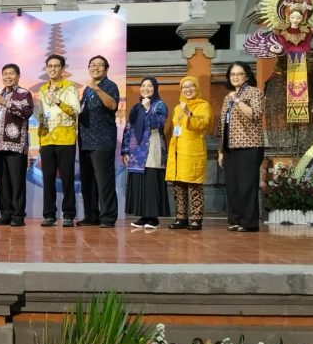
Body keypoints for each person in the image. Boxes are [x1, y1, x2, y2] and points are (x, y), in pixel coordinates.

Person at [217, 62, 265, 232]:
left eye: (239, 74)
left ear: (247, 75)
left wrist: (237, 100)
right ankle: (236, 220)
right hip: (230, 146)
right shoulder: (227, 97)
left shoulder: (254, 92)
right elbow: (223, 125)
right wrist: (220, 151)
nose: (235, 77)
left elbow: (256, 115)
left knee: (247, 185)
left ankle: (249, 223)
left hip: (249, 145)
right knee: (233, 186)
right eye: (232, 74)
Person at [36, 54, 80, 227]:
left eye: (56, 66)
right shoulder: (42, 89)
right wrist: (40, 136)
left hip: (65, 139)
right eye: (50, 66)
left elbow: (76, 111)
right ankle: (49, 215)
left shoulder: (70, 87)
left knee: (67, 178)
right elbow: (41, 114)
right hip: (46, 139)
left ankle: (68, 214)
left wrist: (58, 101)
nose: (52, 69)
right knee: (48, 179)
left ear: (62, 69)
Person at [121, 77, 170, 229]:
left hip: (152, 147)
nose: (146, 88)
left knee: (151, 180)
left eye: (150, 86)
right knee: (139, 182)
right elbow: (128, 129)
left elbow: (157, 124)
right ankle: (143, 216)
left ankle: (153, 218)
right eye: (143, 86)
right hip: (136, 150)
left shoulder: (159, 105)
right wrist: (125, 150)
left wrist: (148, 109)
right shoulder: (136, 107)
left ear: (155, 88)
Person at [77, 55, 120, 228]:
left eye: (99, 65)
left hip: (102, 141)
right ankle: (91, 216)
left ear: (106, 69)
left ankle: (108, 217)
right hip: (85, 141)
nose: (95, 67)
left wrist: (98, 89)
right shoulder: (87, 90)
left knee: (104, 182)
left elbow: (113, 105)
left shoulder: (110, 86)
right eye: (92, 65)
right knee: (88, 183)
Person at [166, 76, 213, 231]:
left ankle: (196, 219)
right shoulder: (177, 108)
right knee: (178, 185)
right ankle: (181, 218)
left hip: (193, 151)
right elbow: (174, 129)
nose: (188, 90)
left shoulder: (203, 105)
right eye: (184, 87)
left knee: (194, 184)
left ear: (197, 88)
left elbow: (202, 124)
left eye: (191, 86)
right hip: (177, 151)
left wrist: (189, 113)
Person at [0, 63, 34, 227]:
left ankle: (18, 215)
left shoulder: (24, 94)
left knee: (17, 182)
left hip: (16, 146)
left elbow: (26, 113)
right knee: (2, 183)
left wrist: (6, 103)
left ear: (18, 75)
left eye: (11, 73)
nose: (7, 77)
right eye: (5, 74)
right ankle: (5, 214)